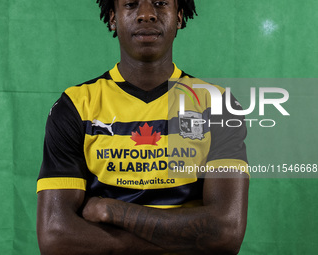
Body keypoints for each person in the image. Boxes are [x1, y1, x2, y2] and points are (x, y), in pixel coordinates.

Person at [36, 0, 250, 254]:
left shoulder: (217, 105)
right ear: (113, 18)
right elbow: (55, 237)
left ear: (179, 17)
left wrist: (113, 211)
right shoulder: (76, 106)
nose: (146, 14)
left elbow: (226, 234)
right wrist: (181, 242)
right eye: (130, 4)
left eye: (160, 3)